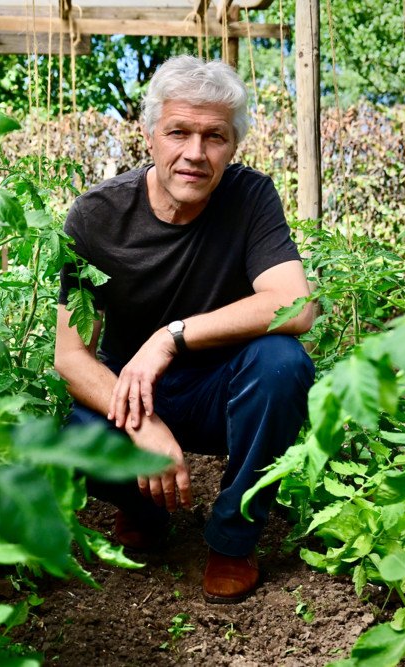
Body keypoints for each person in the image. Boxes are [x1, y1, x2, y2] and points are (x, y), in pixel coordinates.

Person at [53, 55, 316, 603]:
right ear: (150, 135)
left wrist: (169, 336)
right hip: (138, 395)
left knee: (282, 364)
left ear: (234, 145)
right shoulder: (97, 217)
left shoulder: (249, 198)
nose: (195, 154)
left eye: (214, 137)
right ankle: (145, 508)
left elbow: (295, 306)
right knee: (77, 434)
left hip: (225, 391)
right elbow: (72, 356)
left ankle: (232, 538)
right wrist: (141, 422)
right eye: (179, 132)